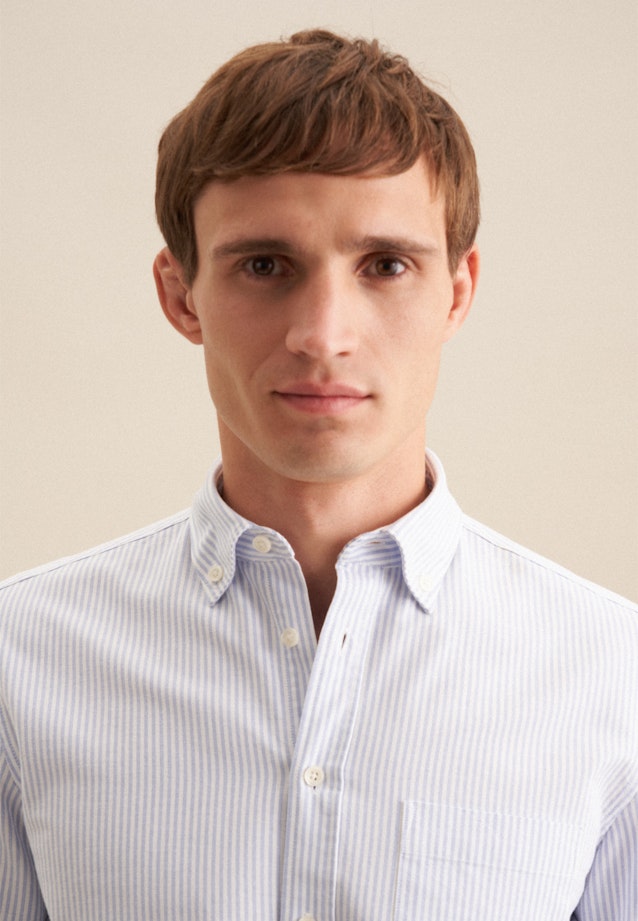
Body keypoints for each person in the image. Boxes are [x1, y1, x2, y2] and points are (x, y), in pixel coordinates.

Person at [0, 29, 636, 921]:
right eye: (266, 265)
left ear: (457, 291)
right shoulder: (20, 661)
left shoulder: (612, 676)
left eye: (386, 265)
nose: (323, 334)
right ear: (180, 295)